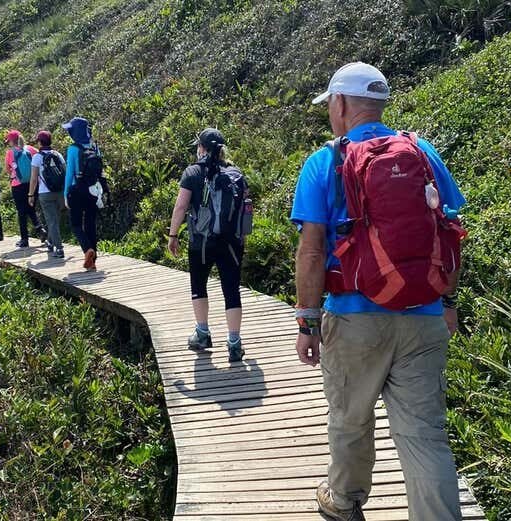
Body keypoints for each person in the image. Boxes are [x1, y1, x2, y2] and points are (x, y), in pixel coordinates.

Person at [291, 62, 466, 521]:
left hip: (354, 318)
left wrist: (308, 321)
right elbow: (450, 232)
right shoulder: (423, 152)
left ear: (342, 103)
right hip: (424, 316)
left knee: (351, 419)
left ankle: (345, 502)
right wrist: (446, 301)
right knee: (424, 434)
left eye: (330, 104)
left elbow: (311, 251)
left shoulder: (325, 161)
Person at [167, 128, 251, 363]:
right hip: (232, 242)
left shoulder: (192, 172)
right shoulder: (235, 173)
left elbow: (181, 207)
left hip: (201, 242)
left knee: (198, 286)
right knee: (232, 291)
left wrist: (173, 235)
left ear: (201, 148)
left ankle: (202, 333)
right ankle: (234, 343)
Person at [63, 116, 104, 270]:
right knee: (90, 224)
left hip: (77, 189)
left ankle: (88, 250)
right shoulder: (94, 147)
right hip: (93, 189)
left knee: (75, 224)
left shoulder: (73, 149)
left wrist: (66, 194)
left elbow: (70, 173)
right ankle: (93, 261)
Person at [4, 129, 47, 248]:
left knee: (22, 212)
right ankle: (40, 230)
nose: (8, 144)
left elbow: (7, 170)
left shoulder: (10, 153)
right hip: (33, 184)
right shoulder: (31, 149)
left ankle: (24, 239)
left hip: (17, 185)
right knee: (31, 208)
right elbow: (41, 160)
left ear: (12, 141)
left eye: (9, 142)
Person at [29, 130, 67, 258]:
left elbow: (34, 179)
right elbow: (65, 173)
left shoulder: (37, 157)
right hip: (59, 192)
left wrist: (30, 195)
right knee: (55, 220)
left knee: (52, 221)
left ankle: (59, 249)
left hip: (45, 193)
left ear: (40, 142)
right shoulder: (58, 154)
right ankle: (50, 243)